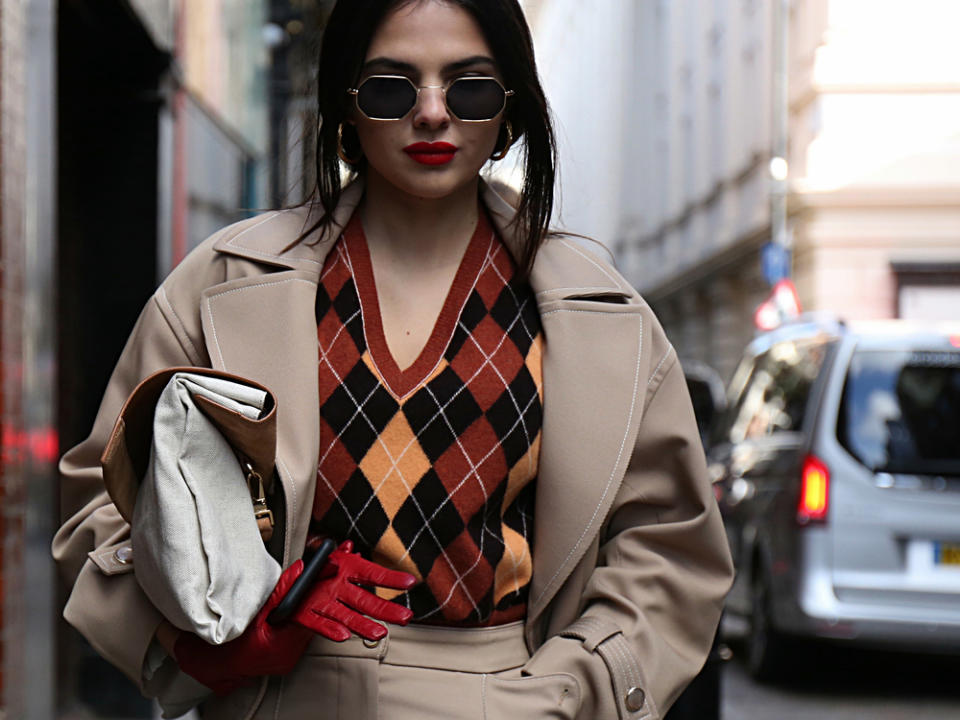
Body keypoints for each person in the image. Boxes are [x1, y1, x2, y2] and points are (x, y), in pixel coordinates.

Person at [52, 1, 734, 718]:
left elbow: (669, 547)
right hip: (278, 697)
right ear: (345, 110)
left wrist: (574, 686)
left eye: (470, 87)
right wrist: (207, 642)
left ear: (512, 113)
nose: (433, 113)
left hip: (511, 698)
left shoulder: (603, 315)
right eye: (391, 87)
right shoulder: (224, 282)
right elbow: (106, 499)